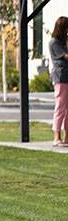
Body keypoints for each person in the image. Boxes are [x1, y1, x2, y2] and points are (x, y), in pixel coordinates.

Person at [50, 16, 68, 146]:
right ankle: (56, 136)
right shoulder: (54, 42)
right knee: (60, 106)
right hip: (60, 77)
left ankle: (67, 136)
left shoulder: (63, 41)